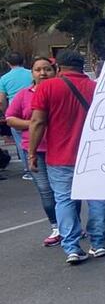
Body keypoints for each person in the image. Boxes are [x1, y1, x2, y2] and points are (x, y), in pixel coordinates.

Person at [28, 49, 105, 264]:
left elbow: (37, 122)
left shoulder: (47, 87)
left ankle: (72, 247)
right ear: (82, 67)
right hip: (94, 155)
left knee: (64, 200)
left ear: (58, 67)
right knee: (97, 199)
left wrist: (32, 152)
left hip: (60, 156)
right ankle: (98, 244)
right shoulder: (97, 88)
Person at [4, 56, 60, 245]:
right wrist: (35, 124)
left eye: (47, 69)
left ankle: (71, 225)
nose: (43, 73)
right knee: (45, 189)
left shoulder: (62, 92)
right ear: (32, 73)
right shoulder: (23, 95)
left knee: (64, 192)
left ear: (55, 71)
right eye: (38, 70)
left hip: (61, 148)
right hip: (34, 150)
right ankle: (56, 227)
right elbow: (10, 118)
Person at [1, 51, 35, 179]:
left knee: (21, 141)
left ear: (8, 63)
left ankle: (29, 170)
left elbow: (1, 101)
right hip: (33, 106)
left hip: (16, 112)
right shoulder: (32, 73)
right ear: (23, 61)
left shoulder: (4, 79)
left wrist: (6, 114)